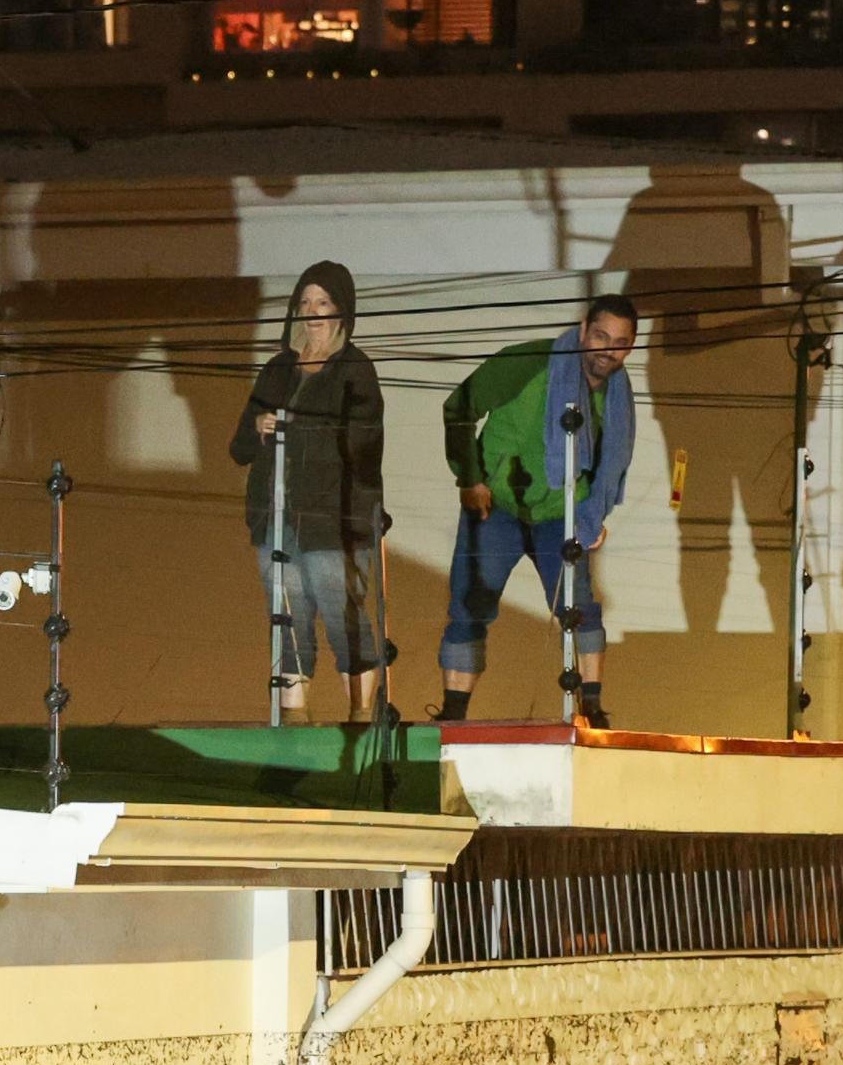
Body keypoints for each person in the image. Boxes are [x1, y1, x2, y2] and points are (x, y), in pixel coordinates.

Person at [437, 293, 641, 728]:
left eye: (619, 343)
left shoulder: (619, 395)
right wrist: (469, 477)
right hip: (497, 504)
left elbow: (611, 460)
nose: (607, 349)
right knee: (469, 604)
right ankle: (453, 714)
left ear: (630, 346)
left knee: (580, 605)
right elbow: (458, 407)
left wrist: (594, 515)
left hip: (560, 514)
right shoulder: (528, 361)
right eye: (601, 335)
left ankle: (592, 710)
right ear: (584, 328)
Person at [229, 261, 388, 722]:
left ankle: (360, 718)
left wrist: (298, 429)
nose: (312, 312)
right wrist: (259, 428)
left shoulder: (356, 368)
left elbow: (363, 442)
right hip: (274, 519)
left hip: (333, 521)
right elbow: (239, 447)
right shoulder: (278, 369)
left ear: (342, 310)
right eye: (304, 303)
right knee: (287, 621)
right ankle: (294, 722)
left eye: (322, 302)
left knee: (344, 617)